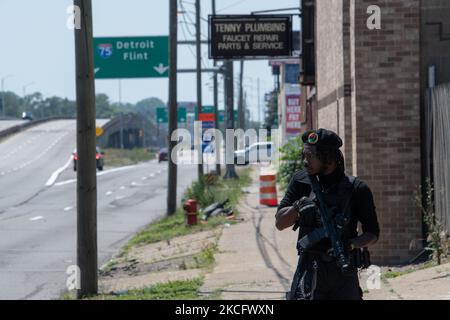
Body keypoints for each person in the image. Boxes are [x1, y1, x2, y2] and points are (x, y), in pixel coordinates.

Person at [275, 128, 380, 300]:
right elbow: (280, 223)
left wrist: (350, 245)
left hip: (344, 271)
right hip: (311, 268)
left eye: (310, 156)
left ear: (328, 157)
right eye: (304, 155)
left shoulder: (356, 188)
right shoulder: (301, 181)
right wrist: (297, 207)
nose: (304, 161)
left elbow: (373, 234)